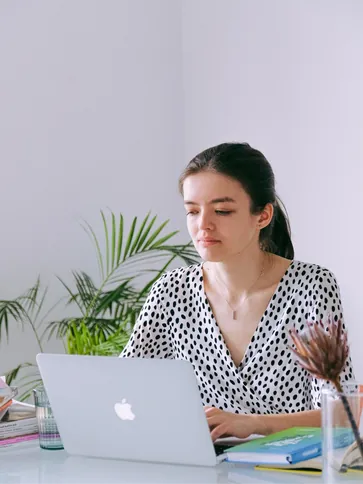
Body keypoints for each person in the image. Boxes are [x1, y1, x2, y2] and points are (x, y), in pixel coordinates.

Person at [120, 142, 354, 441]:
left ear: (263, 216)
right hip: (202, 466)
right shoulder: (171, 290)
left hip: (289, 468)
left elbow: (343, 413)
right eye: (192, 211)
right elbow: (122, 389)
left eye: (222, 211)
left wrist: (254, 423)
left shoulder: (310, 286)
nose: (203, 225)